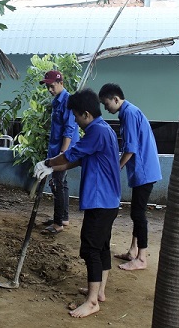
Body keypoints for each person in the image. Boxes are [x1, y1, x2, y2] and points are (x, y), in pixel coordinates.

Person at [34, 88, 120, 318]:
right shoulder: (103, 130)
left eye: (75, 115)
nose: (74, 120)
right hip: (107, 201)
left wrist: (47, 161)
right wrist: (51, 168)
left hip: (101, 200)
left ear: (85, 114)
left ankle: (92, 302)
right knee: (101, 246)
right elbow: (76, 160)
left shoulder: (96, 132)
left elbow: (70, 155)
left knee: (90, 248)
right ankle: (99, 291)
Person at [98, 83, 162, 271]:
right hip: (143, 170)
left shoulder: (129, 113)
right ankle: (133, 251)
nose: (105, 107)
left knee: (138, 214)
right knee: (137, 212)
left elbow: (131, 148)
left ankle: (141, 258)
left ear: (116, 99)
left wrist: (116, 168)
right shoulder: (128, 112)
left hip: (145, 171)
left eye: (106, 103)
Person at [38, 70, 79, 234]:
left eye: (52, 86)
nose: (49, 89)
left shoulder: (68, 101)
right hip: (56, 149)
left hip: (63, 151)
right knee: (62, 183)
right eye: (47, 86)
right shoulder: (57, 100)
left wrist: (62, 154)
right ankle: (63, 218)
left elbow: (69, 129)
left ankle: (57, 224)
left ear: (61, 83)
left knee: (57, 184)